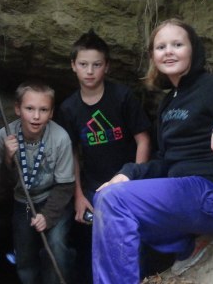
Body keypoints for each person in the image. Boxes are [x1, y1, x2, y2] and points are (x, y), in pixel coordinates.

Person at [91, 19, 213, 284]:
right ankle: (188, 245)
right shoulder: (167, 103)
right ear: (153, 56)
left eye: (177, 44)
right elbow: (164, 160)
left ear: (193, 50)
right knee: (105, 196)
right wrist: (128, 174)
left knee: (115, 202)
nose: (169, 51)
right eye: (161, 47)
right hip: (187, 194)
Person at [56, 29, 151, 284]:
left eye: (96, 65)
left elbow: (143, 139)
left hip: (126, 182)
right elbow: (72, 153)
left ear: (106, 67)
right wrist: (78, 195)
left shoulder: (122, 97)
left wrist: (135, 181)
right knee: (92, 245)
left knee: (133, 242)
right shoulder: (69, 108)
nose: (90, 71)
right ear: (73, 66)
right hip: (92, 188)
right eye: (83, 64)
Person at [0, 80, 75, 284]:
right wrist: (8, 159)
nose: (36, 116)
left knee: (56, 246)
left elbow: (65, 185)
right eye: (29, 108)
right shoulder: (3, 136)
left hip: (53, 199)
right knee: (25, 256)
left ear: (52, 112)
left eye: (43, 109)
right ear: (17, 109)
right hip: (23, 203)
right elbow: (2, 187)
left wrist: (47, 215)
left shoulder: (60, 138)